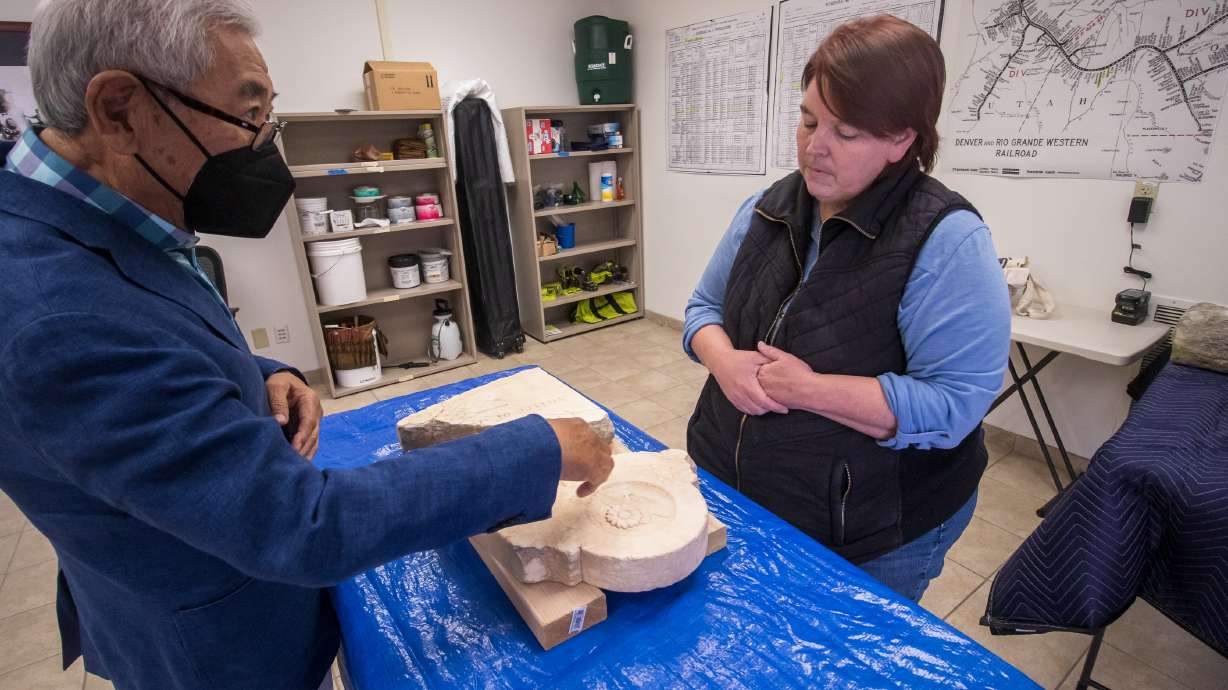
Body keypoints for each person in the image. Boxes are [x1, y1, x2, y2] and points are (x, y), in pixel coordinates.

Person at [0, 1, 612, 688]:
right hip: (219, 647)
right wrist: (538, 449)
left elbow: (153, 341)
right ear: (119, 109)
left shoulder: (88, 215)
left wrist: (256, 371)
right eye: (248, 112)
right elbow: (301, 525)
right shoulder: (52, 312)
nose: (265, 142)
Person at [684, 15, 1010, 602]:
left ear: (901, 140)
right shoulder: (767, 206)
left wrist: (808, 389)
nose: (816, 147)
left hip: (874, 528)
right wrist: (724, 363)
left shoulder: (946, 240)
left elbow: (954, 405)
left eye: (848, 132)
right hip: (737, 481)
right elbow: (703, 307)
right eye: (808, 121)